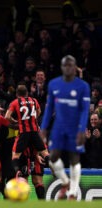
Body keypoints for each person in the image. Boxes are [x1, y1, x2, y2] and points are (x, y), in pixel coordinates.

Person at [41, 55, 90, 200]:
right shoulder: (53, 84)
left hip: (75, 128)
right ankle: (65, 182)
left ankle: (73, 193)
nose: (68, 68)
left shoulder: (83, 86)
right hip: (58, 127)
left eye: (71, 65)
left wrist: (82, 130)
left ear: (75, 68)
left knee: (74, 158)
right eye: (65, 65)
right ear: (62, 67)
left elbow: (84, 110)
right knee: (52, 158)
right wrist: (43, 128)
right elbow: (49, 109)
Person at [5, 82, 49, 177]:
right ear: (27, 93)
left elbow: (7, 116)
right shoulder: (34, 100)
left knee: (15, 156)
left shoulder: (15, 102)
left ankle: (18, 171)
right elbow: (39, 111)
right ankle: (53, 167)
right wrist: (33, 119)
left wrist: (15, 121)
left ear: (17, 94)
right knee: (45, 153)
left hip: (24, 132)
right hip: (35, 132)